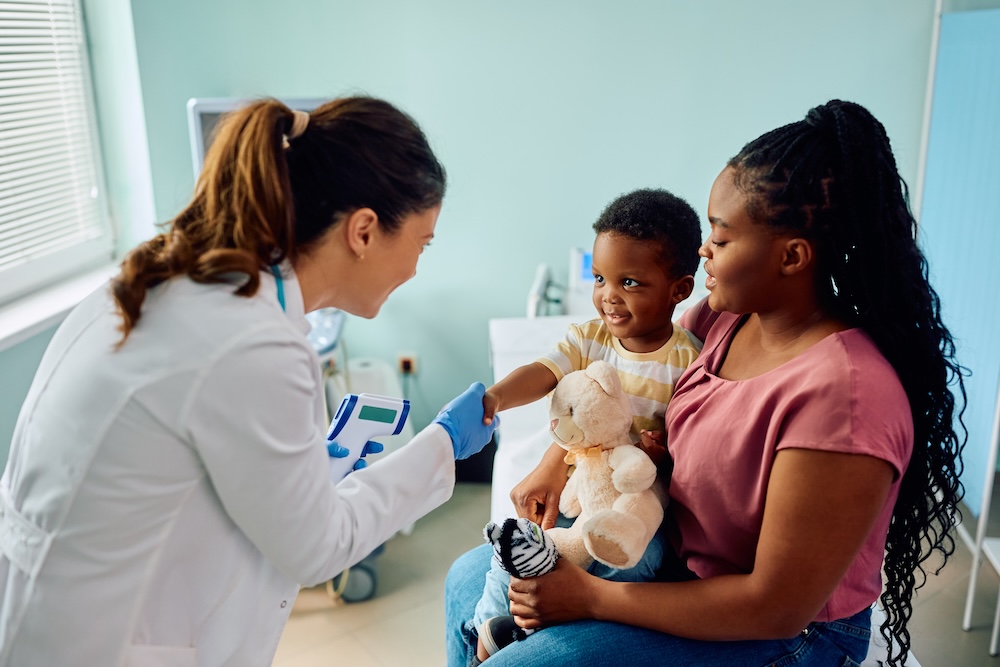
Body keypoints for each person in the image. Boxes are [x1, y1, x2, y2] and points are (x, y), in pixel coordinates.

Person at [445, 99, 966, 667]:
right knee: (465, 579)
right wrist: (556, 459)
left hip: (784, 634)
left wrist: (594, 598)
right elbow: (621, 393)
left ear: (792, 256)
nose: (702, 252)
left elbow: (776, 606)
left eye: (719, 239)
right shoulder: (723, 321)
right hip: (674, 558)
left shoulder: (845, 397)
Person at [0, 96, 498, 667]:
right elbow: (320, 546)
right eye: (422, 242)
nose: (415, 267)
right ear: (363, 231)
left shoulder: (179, 279)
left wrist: (305, 470)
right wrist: (444, 444)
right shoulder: (251, 343)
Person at [473, 188, 703, 662]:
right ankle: (487, 631)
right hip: (579, 490)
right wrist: (496, 396)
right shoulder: (590, 339)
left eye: (630, 282)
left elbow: (692, 444)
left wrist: (663, 455)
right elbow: (543, 372)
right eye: (600, 278)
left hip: (634, 501)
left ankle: (560, 623)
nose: (608, 296)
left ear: (679, 289)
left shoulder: (687, 361)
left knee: (638, 563)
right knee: (516, 545)